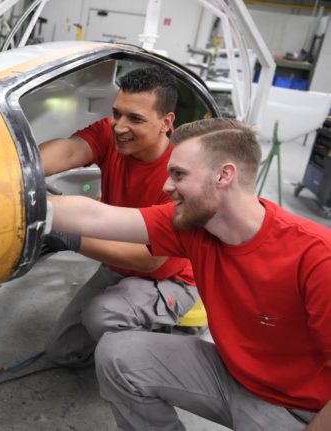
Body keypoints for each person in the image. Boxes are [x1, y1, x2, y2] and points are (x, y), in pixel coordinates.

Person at [48, 118, 331, 430]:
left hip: (293, 409)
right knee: (119, 354)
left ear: (224, 175)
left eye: (178, 174)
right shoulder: (195, 225)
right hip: (230, 373)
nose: (166, 186)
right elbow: (96, 215)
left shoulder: (317, 256)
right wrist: (21, 200)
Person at [39, 66, 199, 368]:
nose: (120, 127)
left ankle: (152, 361)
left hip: (167, 280)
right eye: (117, 113)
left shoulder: (182, 176)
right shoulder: (110, 134)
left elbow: (148, 259)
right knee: (62, 352)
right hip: (119, 267)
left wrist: (71, 238)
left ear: (166, 122)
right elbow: (70, 151)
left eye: (135, 119)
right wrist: (20, 168)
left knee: (102, 315)